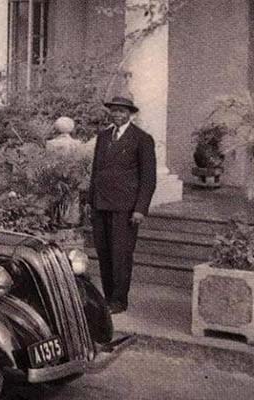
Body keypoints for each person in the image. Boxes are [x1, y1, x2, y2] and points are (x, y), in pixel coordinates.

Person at [88, 96, 157, 314]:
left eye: (121, 111)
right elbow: (96, 172)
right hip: (101, 204)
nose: (117, 114)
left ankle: (119, 300)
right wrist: (91, 201)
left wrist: (140, 209)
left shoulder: (142, 139)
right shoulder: (103, 137)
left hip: (125, 207)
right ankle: (108, 299)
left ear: (130, 114)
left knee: (121, 254)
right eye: (114, 111)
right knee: (104, 253)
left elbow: (148, 178)